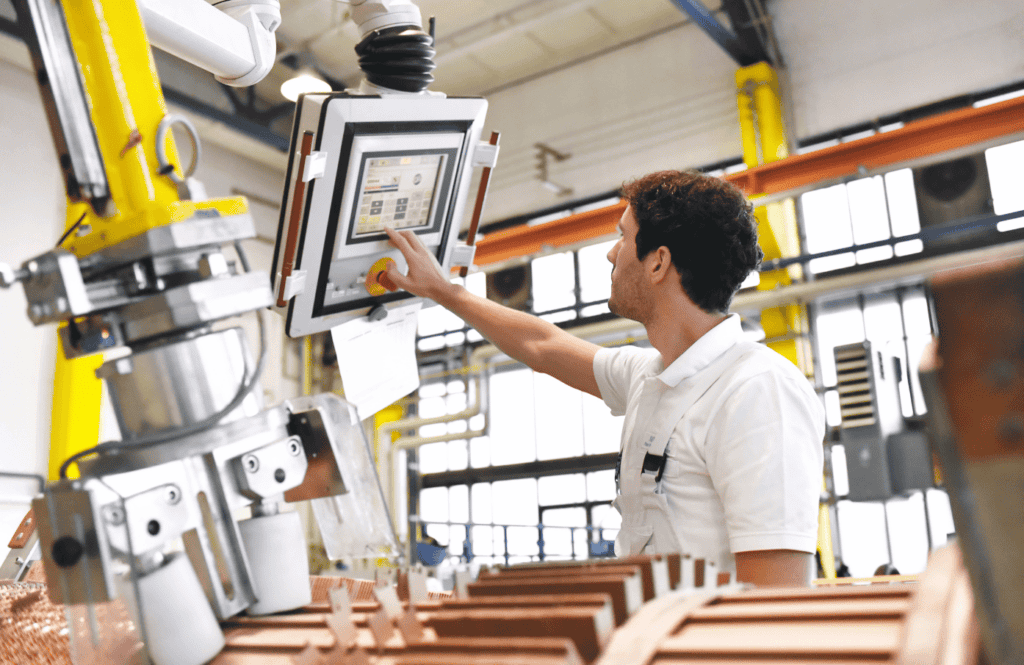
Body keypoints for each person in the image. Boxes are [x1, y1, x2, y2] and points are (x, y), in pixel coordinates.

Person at [383, 170, 825, 588]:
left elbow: (777, 595)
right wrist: (444, 291)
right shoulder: (651, 378)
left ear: (658, 263)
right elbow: (542, 346)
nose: (611, 253)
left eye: (623, 236)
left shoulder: (756, 391)